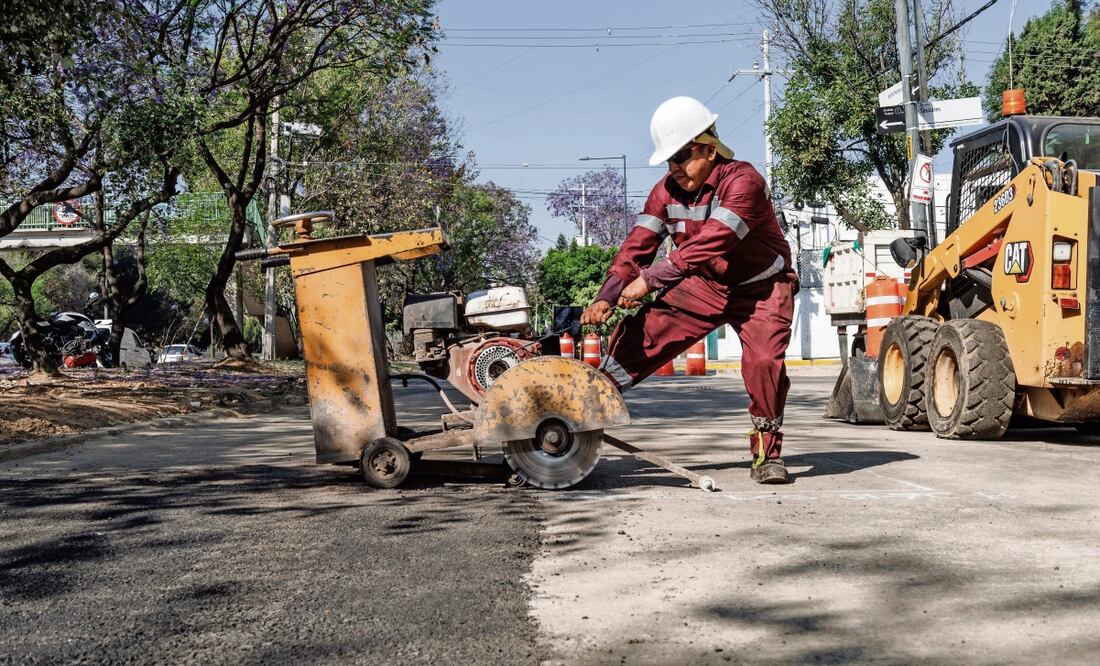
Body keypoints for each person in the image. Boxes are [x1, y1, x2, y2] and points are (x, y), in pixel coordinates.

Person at [581, 96, 797, 484]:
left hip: (762, 288)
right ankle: (580, 408)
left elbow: (713, 241)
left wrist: (650, 279)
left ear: (709, 147)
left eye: (681, 155)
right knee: (643, 333)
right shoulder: (664, 192)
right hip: (706, 284)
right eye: (669, 159)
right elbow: (637, 247)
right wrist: (606, 295)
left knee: (764, 361)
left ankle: (767, 454)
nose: (674, 167)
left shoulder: (744, 182)